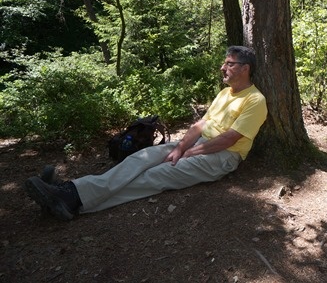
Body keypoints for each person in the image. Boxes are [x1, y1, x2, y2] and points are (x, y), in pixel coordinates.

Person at [25, 45, 268, 221]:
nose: (222, 67)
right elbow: (199, 126)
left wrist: (190, 153)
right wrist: (180, 147)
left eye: (229, 63)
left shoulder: (255, 100)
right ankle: (70, 193)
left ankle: (72, 198)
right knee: (139, 160)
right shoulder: (225, 93)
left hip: (222, 156)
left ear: (245, 68)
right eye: (224, 62)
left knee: (155, 175)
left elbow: (230, 139)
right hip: (200, 146)